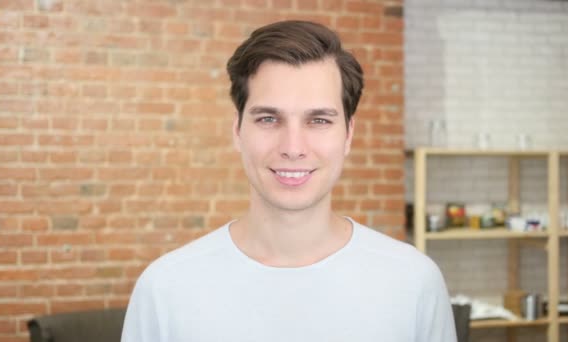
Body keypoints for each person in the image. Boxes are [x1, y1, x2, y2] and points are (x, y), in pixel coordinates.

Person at [121, 20, 456, 342]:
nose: (293, 148)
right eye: (268, 119)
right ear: (237, 130)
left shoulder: (413, 281)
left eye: (319, 120)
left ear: (348, 134)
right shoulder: (165, 288)